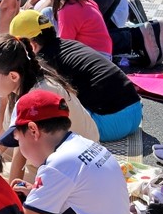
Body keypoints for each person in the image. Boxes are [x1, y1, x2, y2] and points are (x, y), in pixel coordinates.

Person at [0, 91, 129, 214]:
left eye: (18, 141)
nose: (21, 151)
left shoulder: (59, 164)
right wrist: (37, 193)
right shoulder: (83, 145)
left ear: (33, 130)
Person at [0, 34, 98, 186]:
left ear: (13, 76)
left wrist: (14, 195)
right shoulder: (24, 82)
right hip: (61, 152)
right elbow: (5, 138)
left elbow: (20, 156)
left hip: (78, 165)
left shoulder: (37, 98)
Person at [10, 10, 142, 142]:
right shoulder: (69, 44)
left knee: (42, 120)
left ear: (32, 45)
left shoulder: (44, 62)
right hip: (135, 113)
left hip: (109, 123)